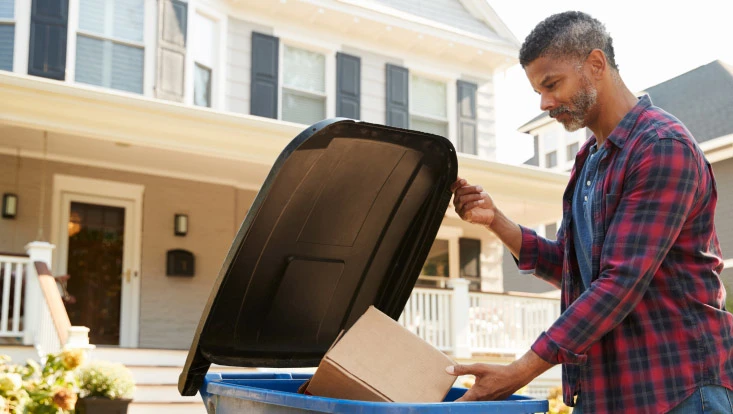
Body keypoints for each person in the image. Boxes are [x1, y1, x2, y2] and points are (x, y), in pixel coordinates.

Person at [446, 11, 733, 413]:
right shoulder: (588, 160)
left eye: (551, 84)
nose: (545, 102)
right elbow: (572, 269)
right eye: (538, 91)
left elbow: (620, 282)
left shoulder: (661, 146)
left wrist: (520, 370)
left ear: (596, 65)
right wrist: (496, 221)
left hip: (678, 387)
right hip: (609, 390)